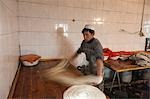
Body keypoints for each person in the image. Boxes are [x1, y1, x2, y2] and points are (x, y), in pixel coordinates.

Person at [69, 24, 104, 91]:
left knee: (98, 89)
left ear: (92, 34)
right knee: (90, 87)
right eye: (84, 35)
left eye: (87, 35)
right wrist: (69, 61)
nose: (85, 37)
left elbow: (99, 60)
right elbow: (78, 52)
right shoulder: (84, 43)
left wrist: (99, 76)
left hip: (98, 68)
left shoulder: (96, 44)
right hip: (90, 66)